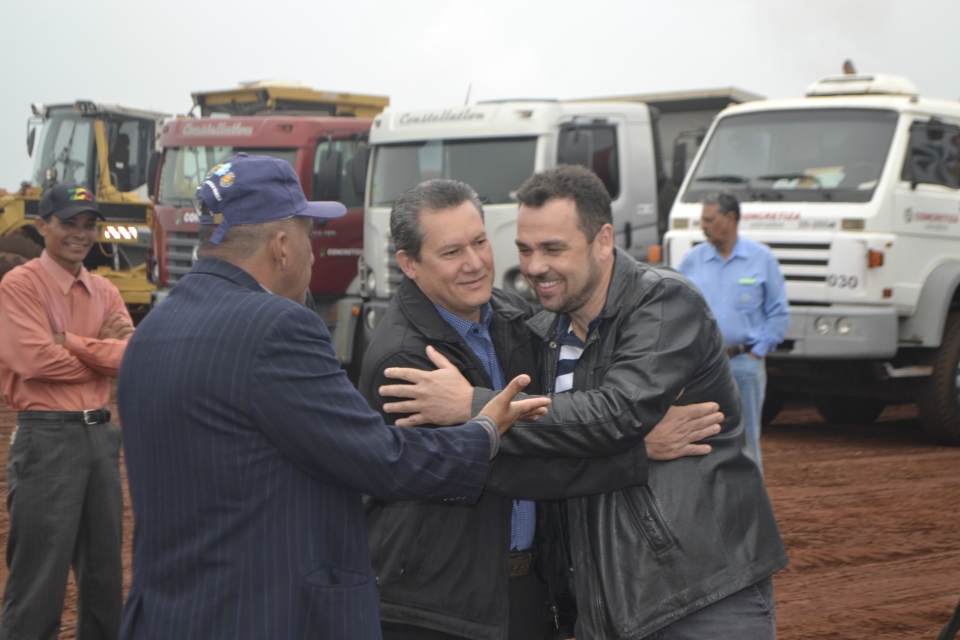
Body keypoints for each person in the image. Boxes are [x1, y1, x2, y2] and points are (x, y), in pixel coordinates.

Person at [115, 153, 549, 640]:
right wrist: (483, 428)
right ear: (282, 247)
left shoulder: (150, 332)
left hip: (168, 616)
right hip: (262, 615)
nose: (313, 253)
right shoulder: (276, 326)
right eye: (308, 235)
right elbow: (378, 457)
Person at [381, 165, 788, 640]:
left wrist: (476, 407)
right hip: (608, 604)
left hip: (700, 593)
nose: (535, 267)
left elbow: (617, 414)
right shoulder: (542, 333)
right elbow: (547, 455)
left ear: (603, 240)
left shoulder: (663, 304)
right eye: (525, 250)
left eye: (554, 249)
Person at [0, 184, 135, 640]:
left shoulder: (104, 289)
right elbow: (33, 360)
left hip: (100, 437)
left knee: (104, 580)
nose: (81, 234)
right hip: (46, 439)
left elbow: (130, 358)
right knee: (39, 582)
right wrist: (102, 347)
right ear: (42, 226)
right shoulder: (20, 285)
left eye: (88, 224)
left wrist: (72, 342)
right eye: (68, 223)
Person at [677, 192, 789, 468]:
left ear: (730, 219)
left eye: (709, 219)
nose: (703, 225)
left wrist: (757, 353)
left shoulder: (761, 258)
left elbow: (778, 312)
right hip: (702, 368)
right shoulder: (692, 261)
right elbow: (676, 310)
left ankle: (752, 509)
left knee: (747, 438)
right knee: (703, 436)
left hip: (744, 363)